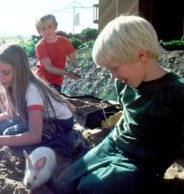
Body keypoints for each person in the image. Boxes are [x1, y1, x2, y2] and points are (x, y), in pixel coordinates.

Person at [56, 15, 184, 194]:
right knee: (62, 184)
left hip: (143, 159)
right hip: (114, 143)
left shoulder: (176, 91)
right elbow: (128, 114)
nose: (112, 76)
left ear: (141, 55)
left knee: (91, 188)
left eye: (114, 68)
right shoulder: (124, 82)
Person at [0, 43, 77, 156]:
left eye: (6, 73)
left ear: (20, 70)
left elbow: (34, 136)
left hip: (60, 123)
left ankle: (68, 141)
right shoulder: (14, 84)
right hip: (43, 117)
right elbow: (11, 113)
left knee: (7, 134)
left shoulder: (32, 91)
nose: (0, 78)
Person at [34, 13, 79, 92]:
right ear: (39, 31)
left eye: (50, 27)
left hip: (57, 81)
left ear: (55, 27)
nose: (47, 30)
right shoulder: (41, 46)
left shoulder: (65, 42)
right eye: (43, 28)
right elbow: (49, 68)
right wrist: (67, 73)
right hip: (42, 80)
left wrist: (75, 66)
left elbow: (73, 59)